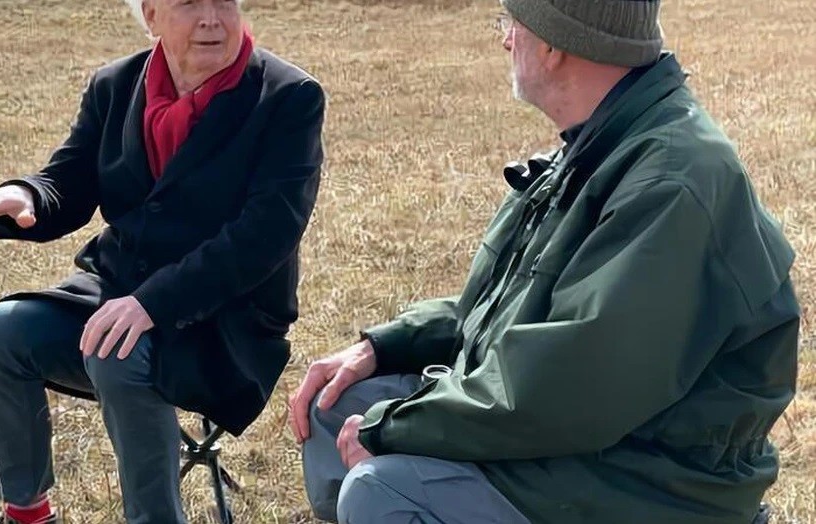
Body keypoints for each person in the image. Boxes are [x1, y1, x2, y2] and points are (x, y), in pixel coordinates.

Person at [289, 1, 798, 523]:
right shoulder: (606, 145)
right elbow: (516, 305)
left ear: (555, 44)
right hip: (582, 445)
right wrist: (387, 345)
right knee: (338, 405)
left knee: (384, 489)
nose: (505, 40)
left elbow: (568, 385)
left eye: (511, 23)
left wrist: (389, 429)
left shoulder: (671, 181)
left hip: (647, 481)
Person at [0, 0, 325, 522]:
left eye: (225, 1)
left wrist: (152, 303)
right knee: (0, 333)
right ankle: (26, 511)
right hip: (118, 294)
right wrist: (28, 195)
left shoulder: (288, 96)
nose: (212, 18)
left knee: (115, 350)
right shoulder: (115, 85)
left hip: (225, 318)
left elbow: (264, 235)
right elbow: (68, 182)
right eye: (189, 3)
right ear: (151, 15)